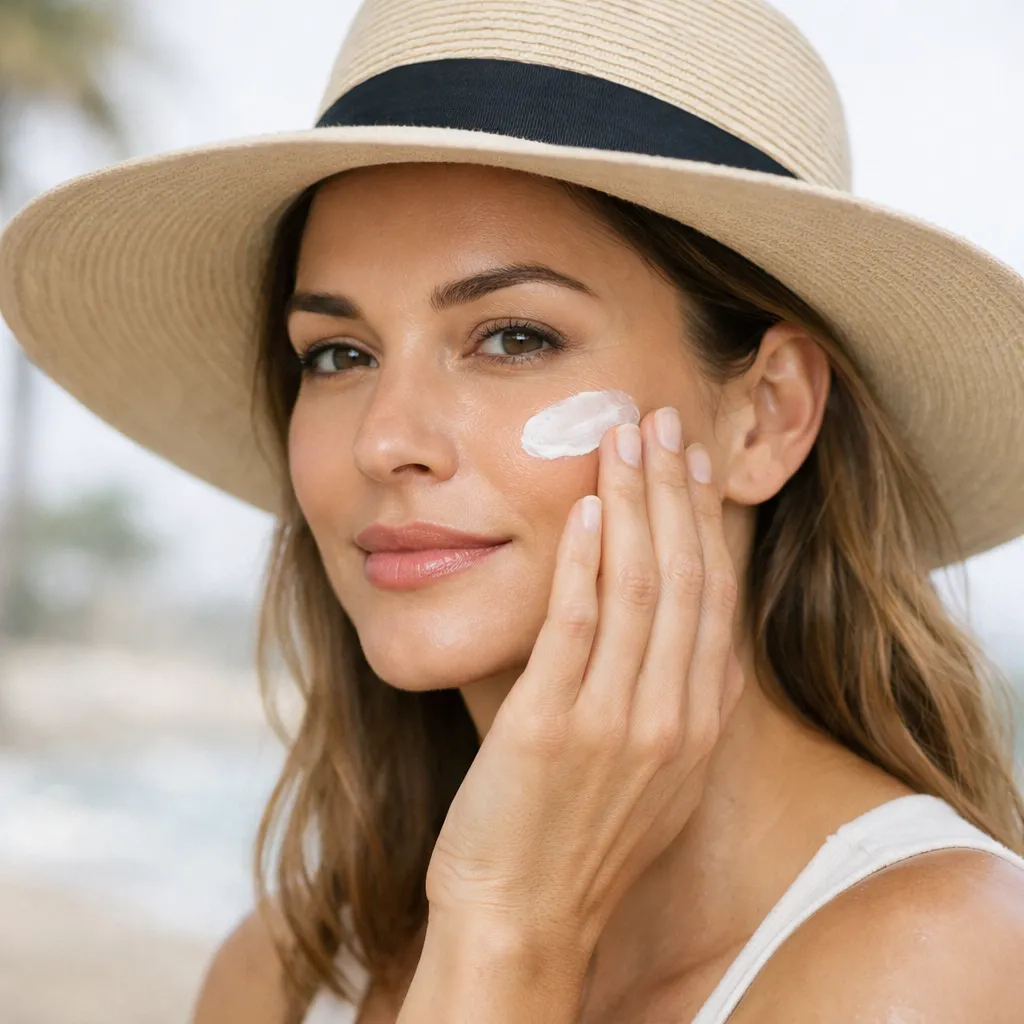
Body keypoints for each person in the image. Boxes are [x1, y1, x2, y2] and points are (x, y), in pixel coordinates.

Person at [2, 0, 1023, 1021]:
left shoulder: (938, 966)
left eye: (514, 338)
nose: (383, 440)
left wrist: (510, 932)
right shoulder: (286, 973)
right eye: (339, 354)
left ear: (765, 416)